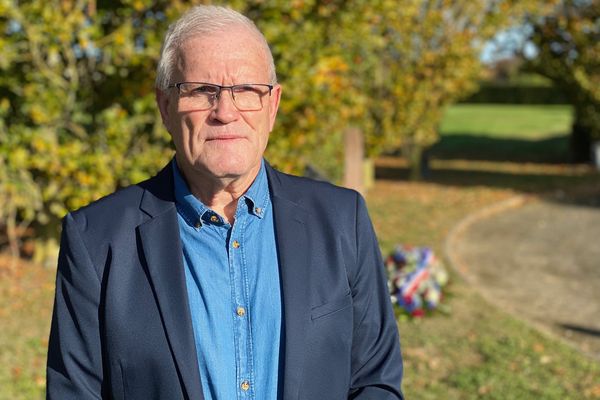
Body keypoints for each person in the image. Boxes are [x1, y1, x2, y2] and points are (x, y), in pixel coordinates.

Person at [46, 5, 403, 400]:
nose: (225, 112)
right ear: (165, 106)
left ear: (273, 105)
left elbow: (375, 381)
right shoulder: (97, 240)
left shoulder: (341, 220)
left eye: (247, 90)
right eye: (202, 91)